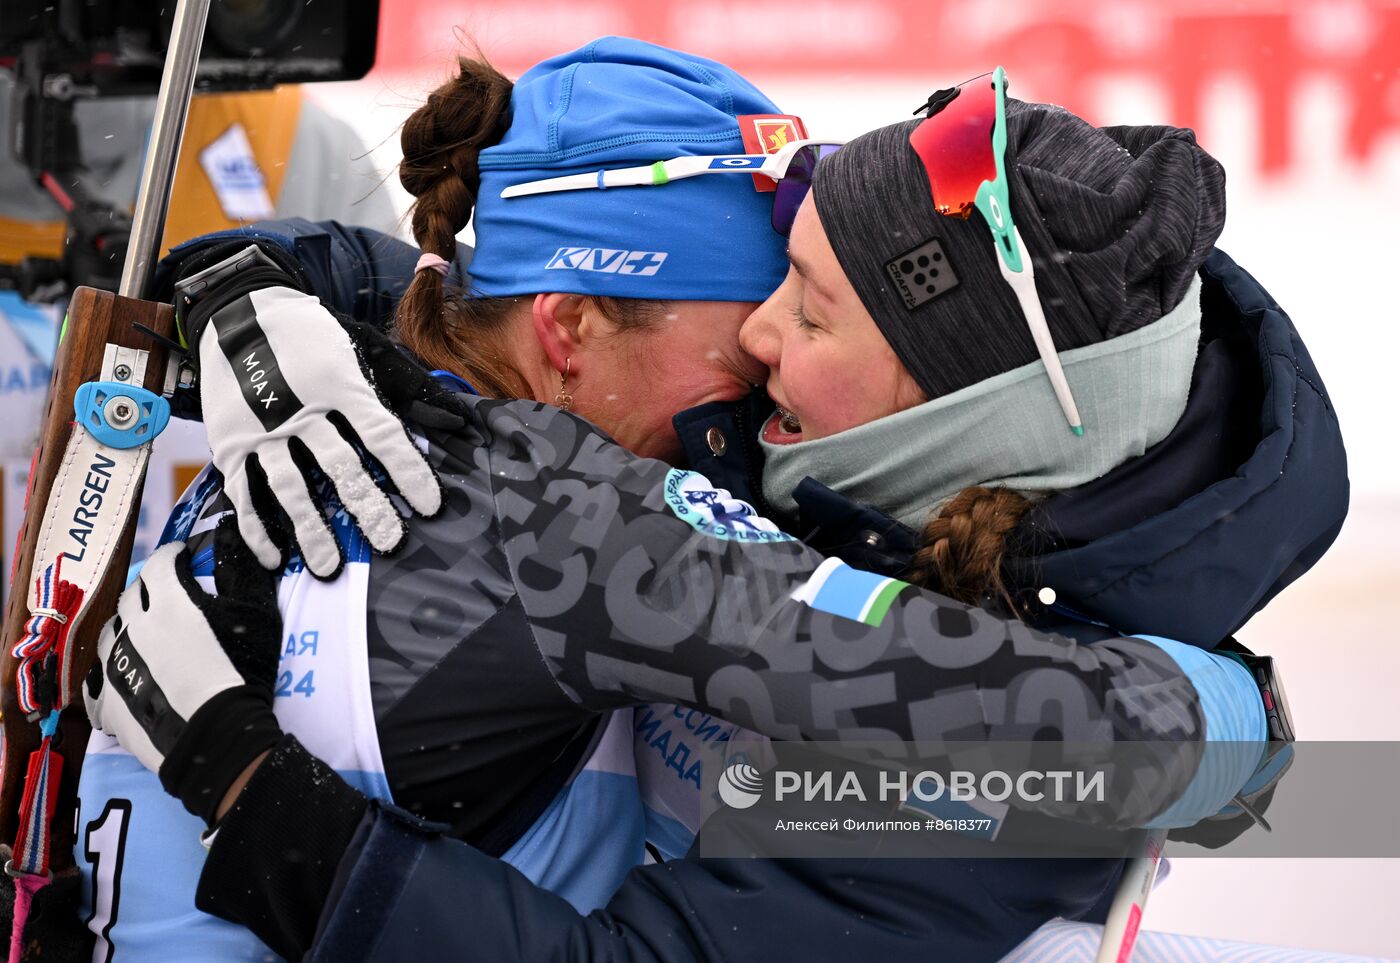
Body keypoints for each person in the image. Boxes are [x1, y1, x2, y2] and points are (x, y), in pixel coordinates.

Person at [76, 55, 1339, 962]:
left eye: (804, 305)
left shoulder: (463, 429)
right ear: (563, 329)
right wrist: (251, 288)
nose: (757, 344)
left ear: (942, 410)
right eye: (760, 294)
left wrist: (252, 283)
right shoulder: (586, 496)